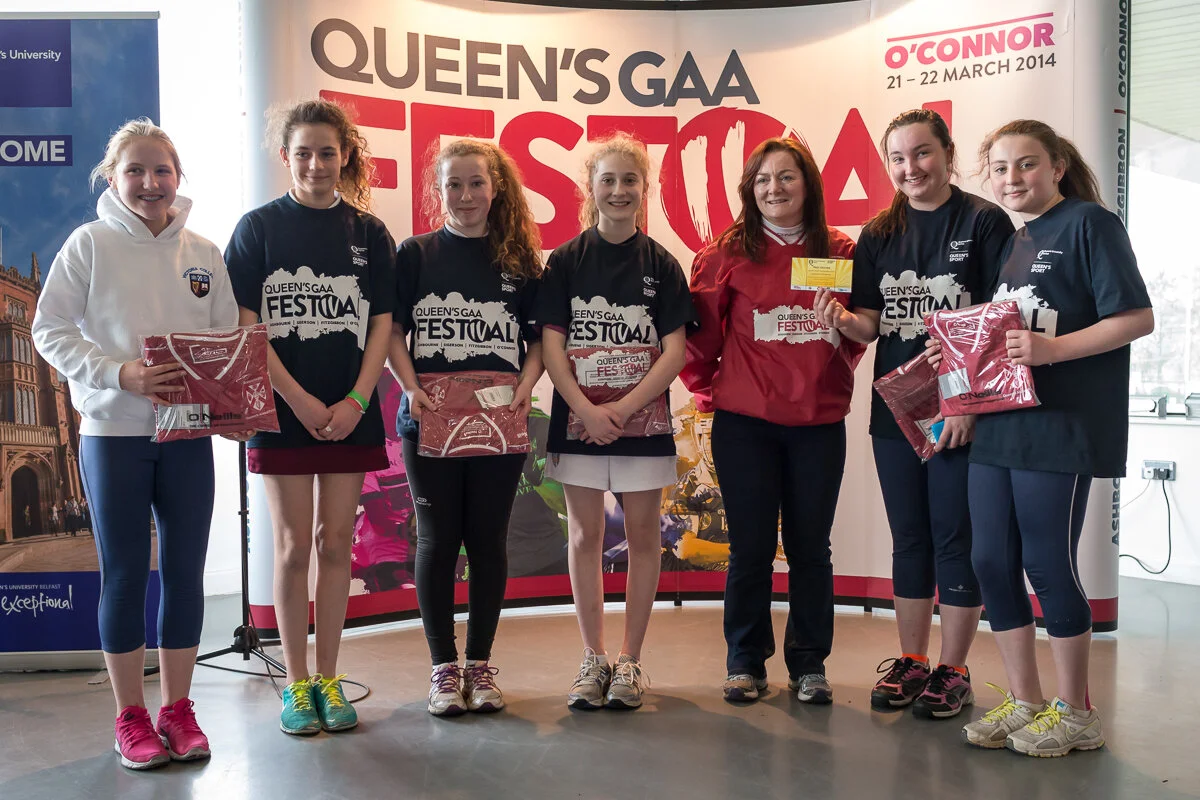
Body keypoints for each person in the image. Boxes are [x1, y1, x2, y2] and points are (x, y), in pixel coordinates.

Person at [929, 120, 1153, 756]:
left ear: (1057, 167)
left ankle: (1076, 711)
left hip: (1062, 427)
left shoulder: (1090, 224)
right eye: (1000, 168)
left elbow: (1136, 317)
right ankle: (1025, 701)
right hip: (1001, 425)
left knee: (1047, 564)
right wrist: (958, 367)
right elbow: (1003, 336)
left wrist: (1052, 351)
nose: (1012, 178)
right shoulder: (1016, 240)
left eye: (1026, 164)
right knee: (990, 562)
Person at [31, 118, 241, 769]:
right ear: (113, 178)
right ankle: (130, 717)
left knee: (184, 573)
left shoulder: (204, 252)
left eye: (162, 170)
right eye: (135, 171)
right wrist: (119, 374)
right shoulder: (89, 244)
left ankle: (177, 711)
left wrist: (232, 406)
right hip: (113, 435)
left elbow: (225, 342)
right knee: (124, 574)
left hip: (188, 438)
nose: (150, 182)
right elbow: (49, 328)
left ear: (179, 177)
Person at [816, 108, 1014, 719]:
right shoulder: (879, 233)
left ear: (948, 154)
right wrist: (844, 321)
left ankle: (954, 669)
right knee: (910, 537)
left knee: (955, 536)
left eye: (922, 153)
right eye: (898, 158)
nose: (911, 168)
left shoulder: (983, 221)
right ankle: (912, 660)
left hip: (960, 409)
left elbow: (999, 318)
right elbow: (871, 321)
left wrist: (965, 404)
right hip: (897, 411)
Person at [225, 99, 395, 736]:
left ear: (344, 155)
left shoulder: (370, 234)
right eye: (304, 153)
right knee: (294, 546)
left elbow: (382, 326)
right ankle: (296, 684)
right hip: (282, 411)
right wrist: (296, 400)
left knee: (335, 543)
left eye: (327, 152)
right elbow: (248, 328)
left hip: (350, 413)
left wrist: (356, 401)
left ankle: (328, 677)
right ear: (285, 157)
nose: (316, 165)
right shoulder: (257, 228)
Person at [682, 137, 863, 704]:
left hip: (818, 425)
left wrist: (826, 377)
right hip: (745, 426)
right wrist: (716, 393)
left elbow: (856, 333)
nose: (774, 188)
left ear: (808, 184)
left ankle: (809, 664)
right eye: (762, 179)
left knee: (811, 548)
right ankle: (744, 661)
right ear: (748, 189)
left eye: (786, 176)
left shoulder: (840, 250)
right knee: (750, 548)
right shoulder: (726, 254)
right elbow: (699, 342)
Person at [388, 139, 544, 716]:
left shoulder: (520, 262)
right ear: (438, 191)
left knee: (487, 541)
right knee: (436, 540)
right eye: (453, 184)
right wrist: (409, 387)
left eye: (476, 182)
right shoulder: (415, 253)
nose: (466, 194)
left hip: (499, 423)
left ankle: (479, 665)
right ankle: (442, 669)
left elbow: (538, 342)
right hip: (428, 421)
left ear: (495, 188)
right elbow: (392, 332)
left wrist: (527, 386)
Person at [539, 134, 694, 710]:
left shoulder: (662, 264)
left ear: (644, 188)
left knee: (644, 536)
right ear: (592, 187)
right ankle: (593, 658)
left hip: (643, 426)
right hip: (578, 424)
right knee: (584, 536)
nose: (619, 190)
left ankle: (629, 660)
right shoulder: (565, 261)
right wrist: (585, 410)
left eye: (630, 180)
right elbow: (551, 346)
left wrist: (624, 411)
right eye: (608, 179)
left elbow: (674, 352)